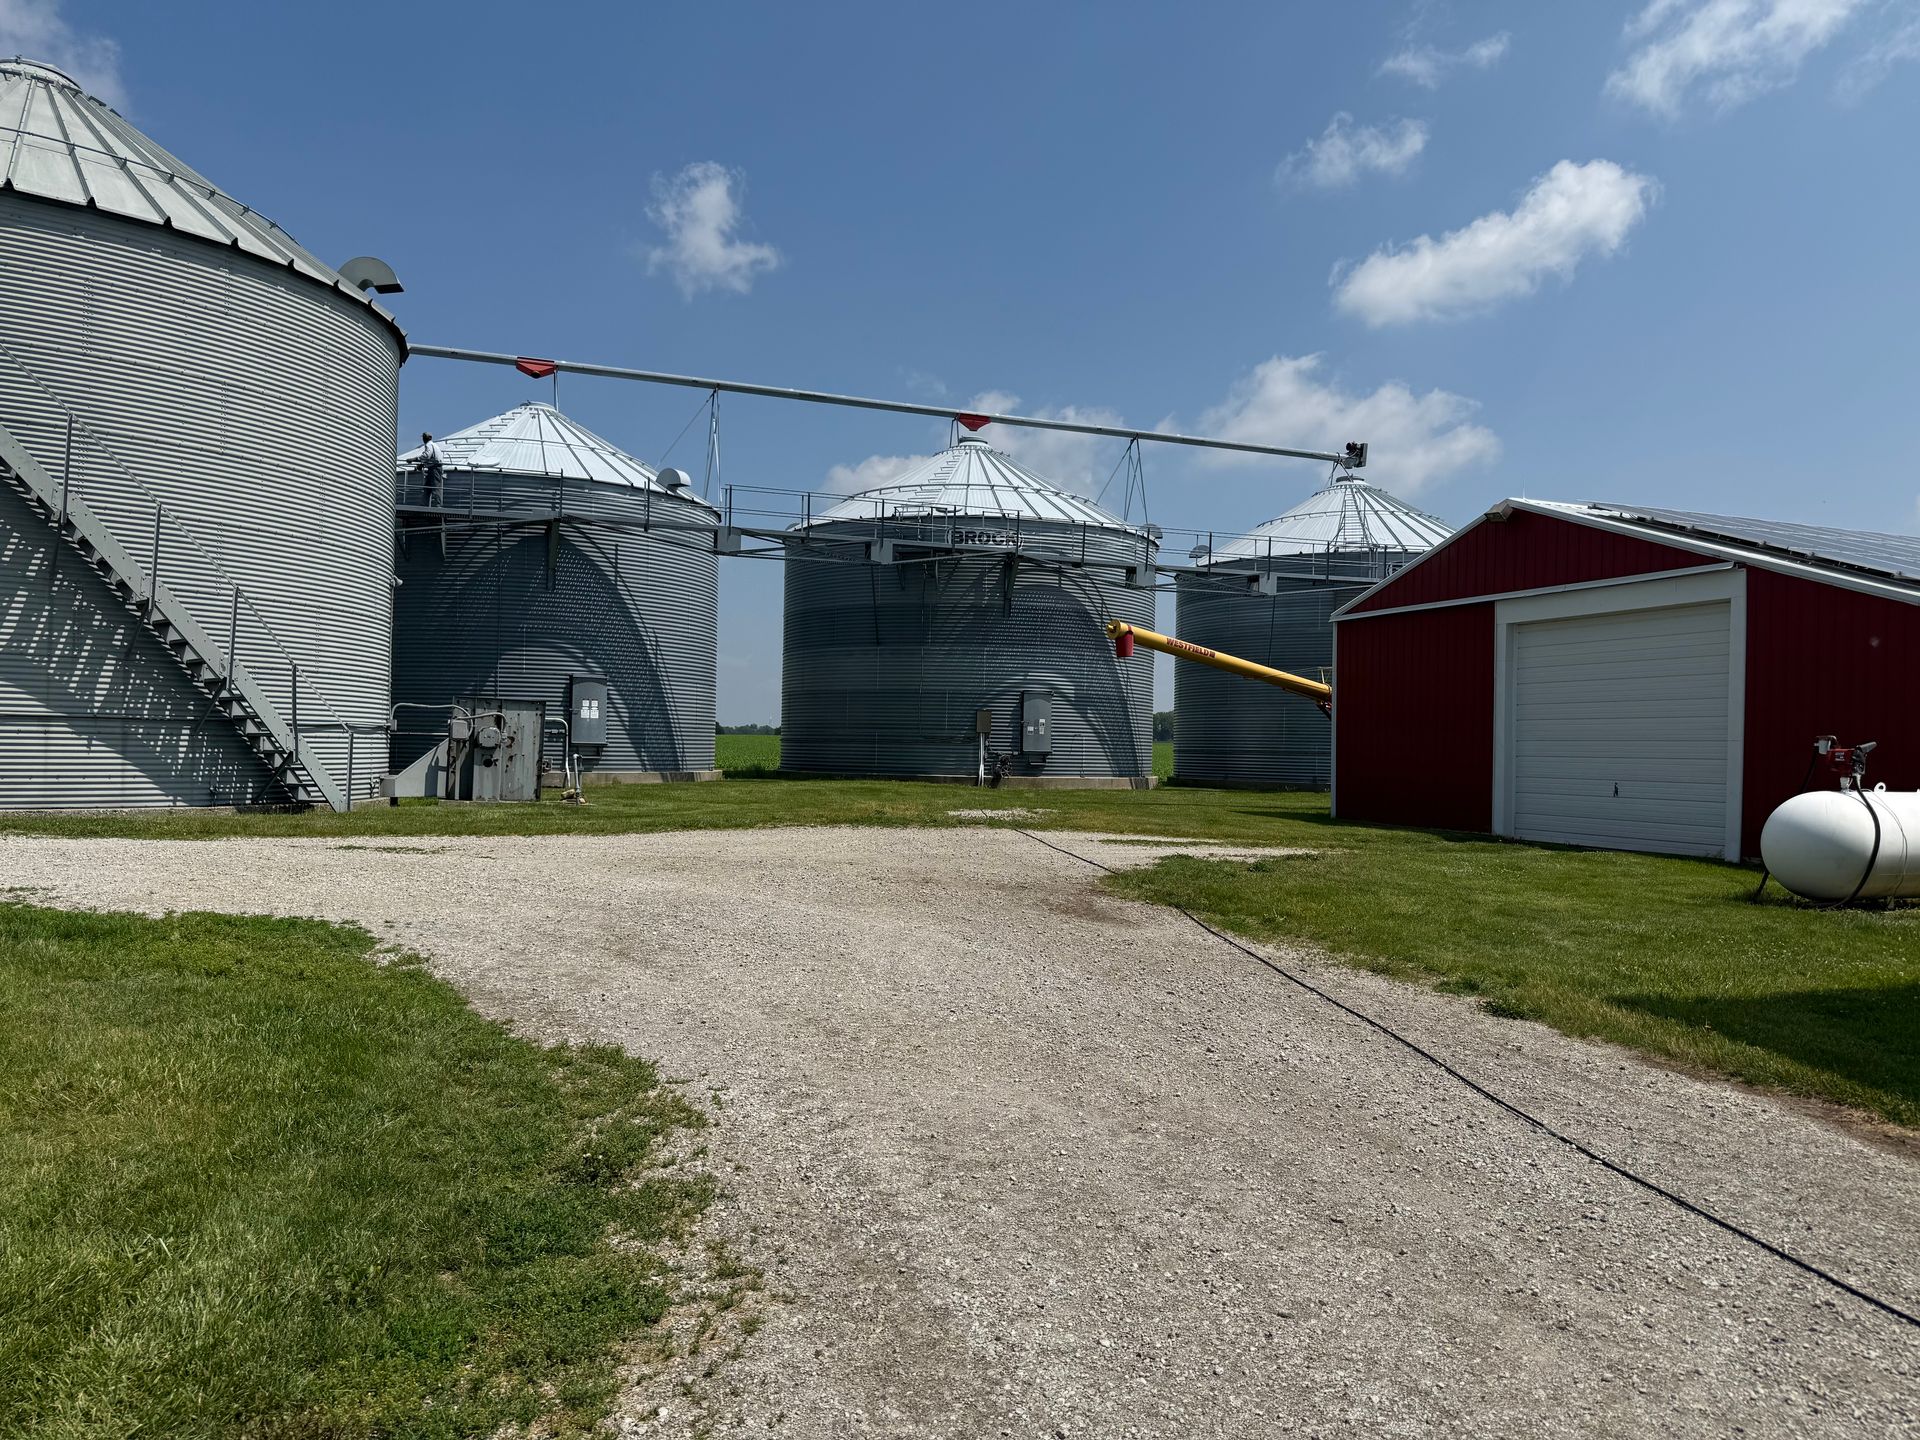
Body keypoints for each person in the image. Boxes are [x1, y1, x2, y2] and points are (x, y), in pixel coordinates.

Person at [415, 432, 446, 507]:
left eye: (423, 438)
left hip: (435, 468)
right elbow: (432, 457)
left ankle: (438, 505)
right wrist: (422, 464)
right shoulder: (434, 445)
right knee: (427, 487)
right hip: (432, 467)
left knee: (435, 486)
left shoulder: (428, 445)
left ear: (425, 438)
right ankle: (424, 504)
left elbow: (427, 455)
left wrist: (415, 459)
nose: (423, 439)